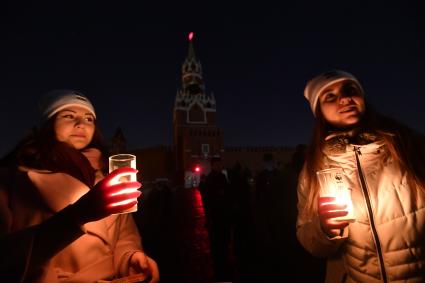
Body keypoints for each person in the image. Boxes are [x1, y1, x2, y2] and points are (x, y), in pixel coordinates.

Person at [0, 90, 160, 283]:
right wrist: (78, 215)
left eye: (89, 119)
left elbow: (123, 235)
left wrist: (131, 257)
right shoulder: (12, 178)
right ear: (48, 124)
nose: (81, 124)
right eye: (68, 116)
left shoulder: (104, 177)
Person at [296, 70, 425, 282]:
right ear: (318, 111)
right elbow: (308, 238)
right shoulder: (314, 168)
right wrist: (325, 229)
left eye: (350, 90)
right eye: (330, 96)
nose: (345, 98)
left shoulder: (408, 146)